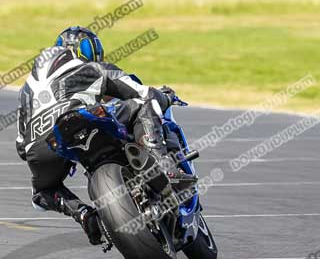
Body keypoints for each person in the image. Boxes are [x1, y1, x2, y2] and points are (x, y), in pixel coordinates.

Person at [15, 26, 192, 245]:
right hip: (77, 117)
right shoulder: (91, 68)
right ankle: (163, 163)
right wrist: (164, 97)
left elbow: (22, 147)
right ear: (88, 51)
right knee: (143, 105)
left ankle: (83, 215)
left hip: (39, 146)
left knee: (42, 192)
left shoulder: (26, 91)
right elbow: (140, 92)